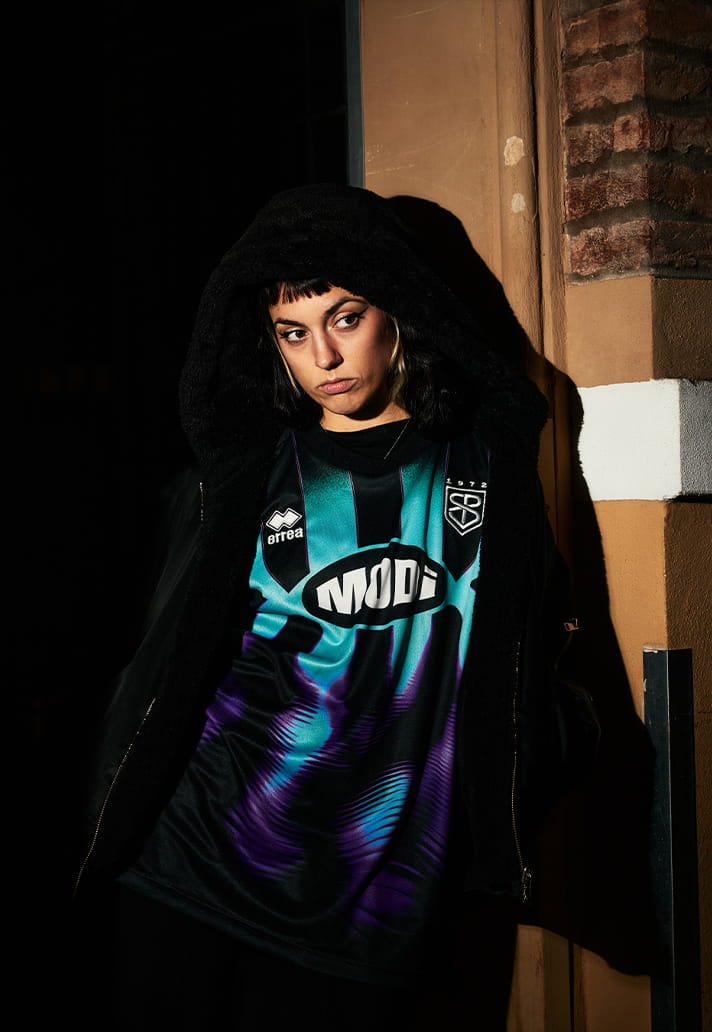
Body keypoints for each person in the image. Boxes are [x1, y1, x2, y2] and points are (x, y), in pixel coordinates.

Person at [74, 183, 597, 1029]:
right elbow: (162, 666)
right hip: (195, 864)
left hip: (375, 901)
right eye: (294, 332)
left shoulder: (483, 469)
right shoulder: (239, 478)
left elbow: (537, 653)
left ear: (397, 310)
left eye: (345, 318)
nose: (323, 355)